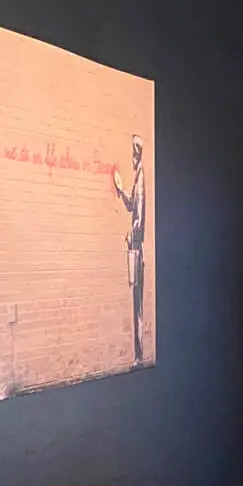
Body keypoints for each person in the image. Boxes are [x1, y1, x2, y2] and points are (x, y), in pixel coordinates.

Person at [111, 135, 150, 365]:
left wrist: (132, 234)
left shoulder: (142, 176)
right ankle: (138, 354)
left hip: (136, 249)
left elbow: (140, 216)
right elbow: (132, 206)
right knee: (136, 299)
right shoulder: (137, 178)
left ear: (137, 153)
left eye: (133, 152)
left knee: (137, 301)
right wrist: (121, 189)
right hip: (135, 247)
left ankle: (139, 355)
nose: (132, 157)